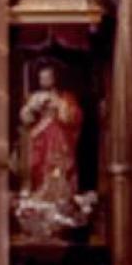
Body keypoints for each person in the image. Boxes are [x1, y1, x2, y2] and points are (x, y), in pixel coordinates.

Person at [20, 65, 83, 202]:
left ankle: (58, 195)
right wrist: (32, 109)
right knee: (36, 163)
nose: (43, 80)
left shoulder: (63, 97)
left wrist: (58, 105)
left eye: (46, 77)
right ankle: (37, 191)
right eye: (41, 78)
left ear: (53, 79)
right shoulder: (35, 96)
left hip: (57, 134)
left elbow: (72, 116)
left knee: (56, 163)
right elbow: (25, 118)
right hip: (39, 134)